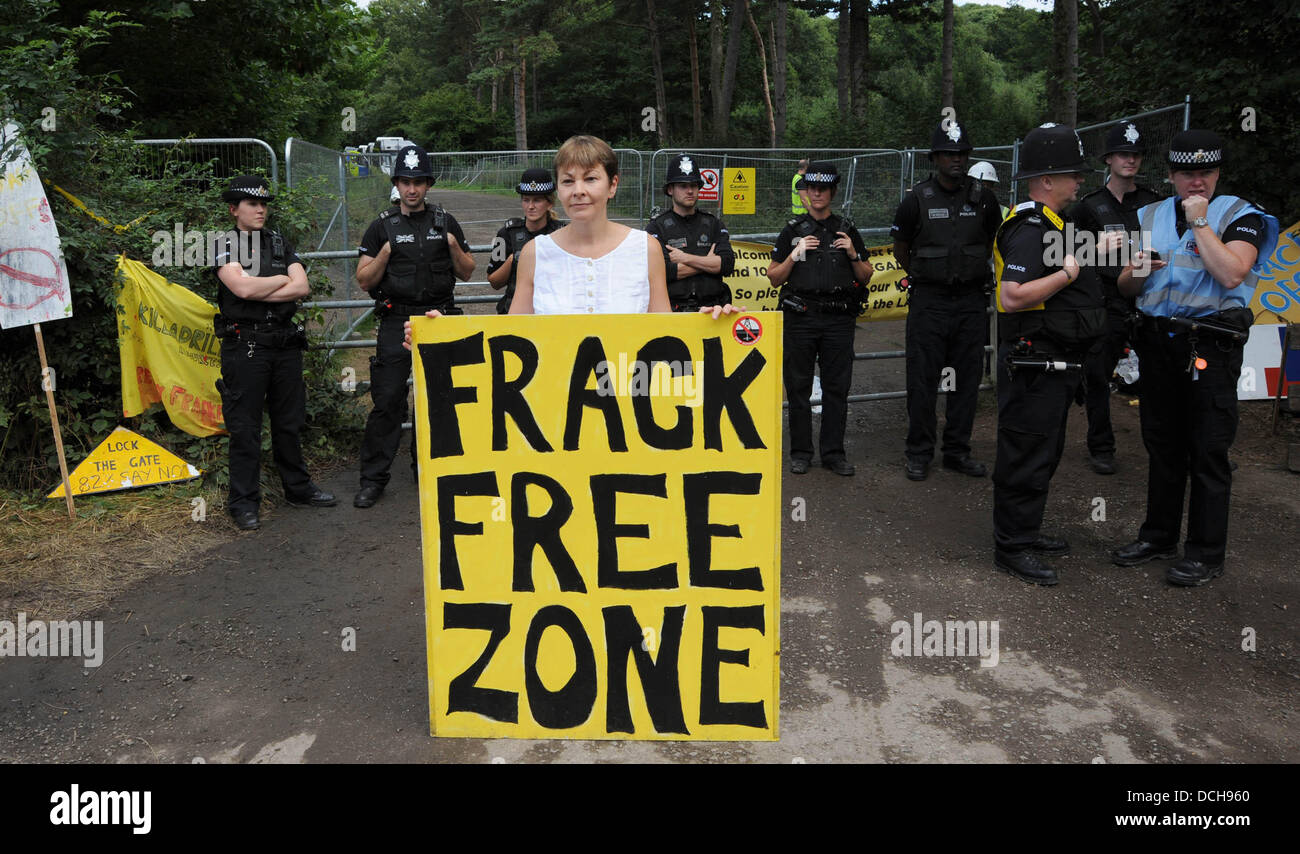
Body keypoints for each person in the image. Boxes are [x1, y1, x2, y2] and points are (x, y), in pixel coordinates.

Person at [1111, 129, 1278, 587]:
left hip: (1210, 344)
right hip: (1158, 342)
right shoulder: (1148, 215)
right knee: (1162, 445)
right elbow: (1126, 287)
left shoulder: (1240, 215)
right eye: (1187, 173)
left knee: (1207, 449)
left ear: (1218, 173)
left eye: (1205, 172)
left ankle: (1205, 553)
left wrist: (1201, 223)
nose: (1197, 182)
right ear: (1171, 175)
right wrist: (1135, 273)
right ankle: (1158, 535)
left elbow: (1231, 273)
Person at [991, 124, 1105, 585]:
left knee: (1046, 449)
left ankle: (1026, 531)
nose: (1079, 182)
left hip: (1052, 361)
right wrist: (1068, 274)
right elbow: (1011, 296)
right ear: (1046, 180)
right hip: (1032, 361)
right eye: (1072, 174)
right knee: (1025, 451)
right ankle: (1011, 547)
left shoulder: (1055, 225)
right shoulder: (1029, 225)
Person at [210, 175, 335, 531]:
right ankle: (244, 503)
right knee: (245, 428)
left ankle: (297, 489)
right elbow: (242, 288)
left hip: (284, 344)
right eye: (252, 204)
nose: (260, 209)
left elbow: (303, 286)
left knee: (289, 422)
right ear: (234, 209)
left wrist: (266, 287)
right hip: (245, 346)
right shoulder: (222, 243)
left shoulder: (279, 242)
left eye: (264, 204)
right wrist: (281, 282)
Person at [353, 144, 475, 509]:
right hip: (396, 320)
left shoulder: (445, 221)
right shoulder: (381, 226)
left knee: (438, 398)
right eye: (406, 182)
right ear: (397, 184)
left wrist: (453, 245)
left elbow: (467, 272)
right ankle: (373, 480)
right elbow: (363, 279)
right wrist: (387, 253)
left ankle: (430, 472)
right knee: (388, 400)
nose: (412, 189)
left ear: (427, 184)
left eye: (418, 182)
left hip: (438, 320)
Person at [892, 120, 1002, 482]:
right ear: (935, 158)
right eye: (948, 154)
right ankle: (919, 453)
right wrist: (930, 274)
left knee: (965, 381)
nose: (956, 159)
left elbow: (992, 241)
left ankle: (957, 451)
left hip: (970, 302)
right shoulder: (916, 200)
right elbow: (902, 248)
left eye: (961, 154)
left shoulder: (984, 198)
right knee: (923, 381)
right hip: (930, 303)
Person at [1067, 121, 1163, 475]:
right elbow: (1066, 252)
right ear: (1108, 158)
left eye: (1136, 154)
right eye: (1124, 153)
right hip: (1106, 302)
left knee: (1157, 376)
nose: (1131, 160)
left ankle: (1163, 447)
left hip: (1148, 300)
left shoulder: (1154, 202)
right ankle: (1101, 446)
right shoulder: (1088, 207)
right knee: (1097, 376)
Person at [767, 161, 873, 476]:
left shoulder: (847, 228)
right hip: (801, 318)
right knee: (798, 387)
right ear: (805, 191)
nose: (817, 193)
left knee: (837, 388)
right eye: (812, 187)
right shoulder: (791, 230)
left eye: (823, 188)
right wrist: (793, 254)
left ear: (832, 192)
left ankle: (833, 454)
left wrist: (853, 253)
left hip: (839, 320)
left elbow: (866, 276)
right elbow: (774, 277)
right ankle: (801, 453)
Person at [645, 153, 736, 312]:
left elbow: (727, 264)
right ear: (670, 189)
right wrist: (708, 262)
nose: (690, 191)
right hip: (674, 311)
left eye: (694, 185)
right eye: (683, 186)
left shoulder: (713, 223)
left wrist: (686, 258)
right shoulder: (656, 227)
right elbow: (663, 272)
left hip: (713, 311)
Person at [487, 167, 564, 314]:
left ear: (550, 203)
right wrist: (514, 259)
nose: (530, 206)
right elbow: (493, 281)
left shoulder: (562, 234)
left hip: (552, 313)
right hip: (515, 312)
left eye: (537, 200)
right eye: (526, 200)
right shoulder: (505, 234)